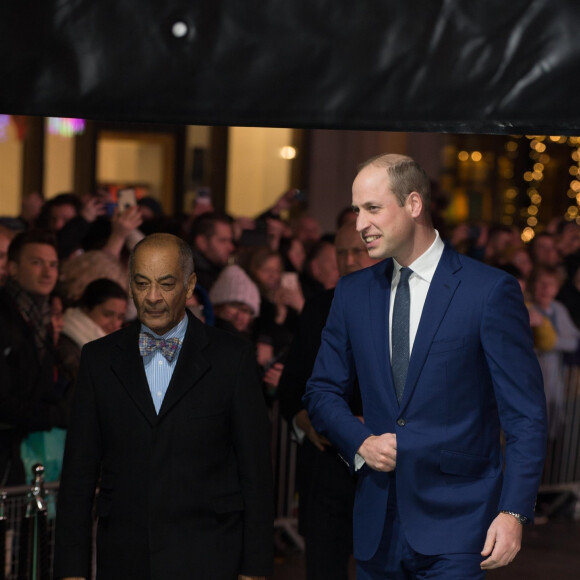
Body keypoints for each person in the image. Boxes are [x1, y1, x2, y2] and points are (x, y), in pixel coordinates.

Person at [303, 153, 547, 579]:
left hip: (460, 525)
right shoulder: (353, 293)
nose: (360, 223)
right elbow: (321, 392)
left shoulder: (488, 292)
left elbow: (526, 416)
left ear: (414, 204)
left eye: (373, 208)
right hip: (376, 524)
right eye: (357, 209)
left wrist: (513, 512)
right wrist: (361, 442)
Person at [53, 233, 274, 580]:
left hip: (210, 556)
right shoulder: (98, 359)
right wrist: (71, 571)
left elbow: (256, 474)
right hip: (124, 557)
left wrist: (255, 570)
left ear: (189, 287)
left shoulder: (232, 358)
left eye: (166, 284)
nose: (152, 297)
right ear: (129, 285)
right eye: (142, 284)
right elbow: (78, 476)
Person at [278, 222, 379, 580]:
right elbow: (292, 386)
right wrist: (305, 420)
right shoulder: (318, 307)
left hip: (385, 467)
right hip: (326, 464)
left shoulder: (410, 309)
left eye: (358, 250)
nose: (349, 260)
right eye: (341, 252)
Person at [0, 229, 72, 485]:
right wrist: (54, 414)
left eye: (53, 264)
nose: (47, 272)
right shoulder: (6, 316)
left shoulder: (42, 318)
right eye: (36, 262)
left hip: (21, 451)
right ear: (12, 267)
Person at [58, 278, 129, 380]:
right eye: (107, 314)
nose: (115, 324)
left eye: (120, 317)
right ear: (86, 308)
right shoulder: (68, 345)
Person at [189, 212, 235, 292]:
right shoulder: (189, 279)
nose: (231, 248)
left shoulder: (219, 271)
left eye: (230, 241)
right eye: (223, 241)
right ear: (202, 242)